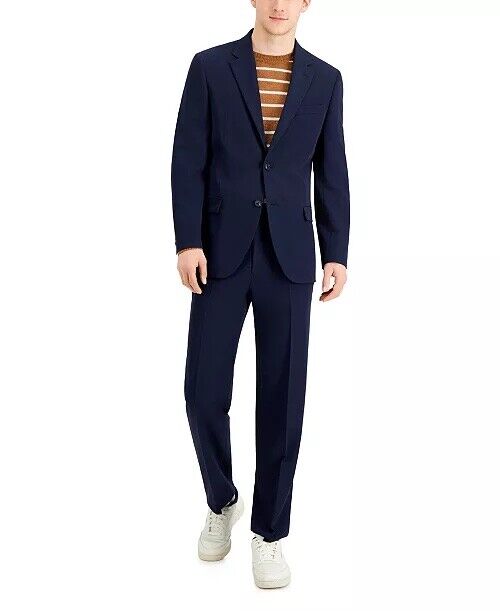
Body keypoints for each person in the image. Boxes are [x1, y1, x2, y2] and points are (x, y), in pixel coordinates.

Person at [170, 0, 349, 589]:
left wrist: (336, 251)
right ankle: (222, 499)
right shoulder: (209, 67)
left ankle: (270, 533)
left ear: (305, 3)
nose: (278, 4)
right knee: (202, 393)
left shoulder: (326, 80)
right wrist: (188, 240)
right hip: (220, 253)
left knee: (283, 402)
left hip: (290, 257)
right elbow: (188, 159)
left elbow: (333, 169)